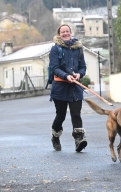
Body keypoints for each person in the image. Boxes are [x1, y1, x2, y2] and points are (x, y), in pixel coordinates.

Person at [49, 24, 87, 152]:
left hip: (75, 88)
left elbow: (83, 67)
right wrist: (66, 76)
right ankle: (55, 137)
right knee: (61, 115)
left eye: (67, 31)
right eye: (62, 32)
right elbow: (54, 68)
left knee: (76, 114)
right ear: (59, 34)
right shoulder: (55, 49)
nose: (65, 33)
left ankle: (79, 140)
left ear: (71, 32)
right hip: (60, 88)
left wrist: (79, 74)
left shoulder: (78, 48)